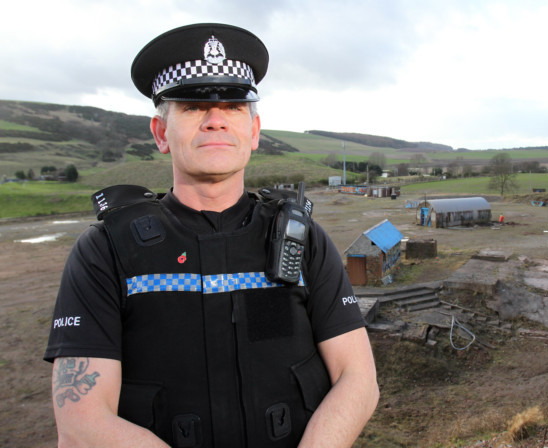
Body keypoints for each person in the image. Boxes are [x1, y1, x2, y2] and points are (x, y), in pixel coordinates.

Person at [44, 23, 379, 447]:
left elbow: (358, 379)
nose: (216, 120)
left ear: (254, 132)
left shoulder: (303, 237)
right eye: (193, 107)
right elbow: (80, 423)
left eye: (235, 107)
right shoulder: (105, 250)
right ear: (162, 133)